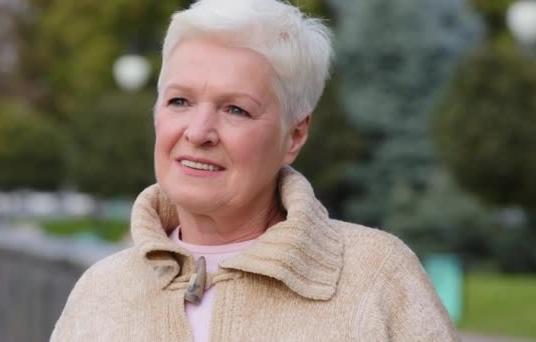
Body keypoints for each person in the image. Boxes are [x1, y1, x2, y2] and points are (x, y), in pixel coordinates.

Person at [51, 0, 458, 340]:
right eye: (180, 101)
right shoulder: (100, 292)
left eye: (236, 109)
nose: (199, 131)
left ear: (294, 136)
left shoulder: (377, 278)